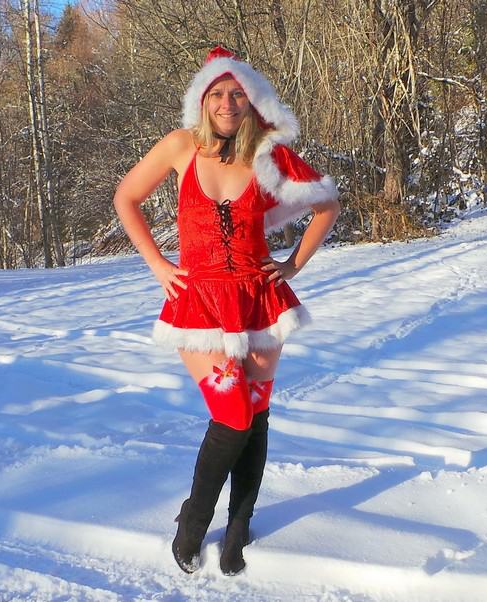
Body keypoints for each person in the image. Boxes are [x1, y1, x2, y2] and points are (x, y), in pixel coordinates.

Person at [113, 46, 339, 576]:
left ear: (252, 100)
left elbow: (325, 205)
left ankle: (239, 526)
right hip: (198, 301)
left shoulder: (266, 154)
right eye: (217, 92)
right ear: (202, 98)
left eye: (237, 93)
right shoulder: (180, 146)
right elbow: (126, 198)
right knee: (232, 416)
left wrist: (292, 265)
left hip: (259, 300)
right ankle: (194, 520)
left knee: (256, 416)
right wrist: (159, 265)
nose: (227, 102)